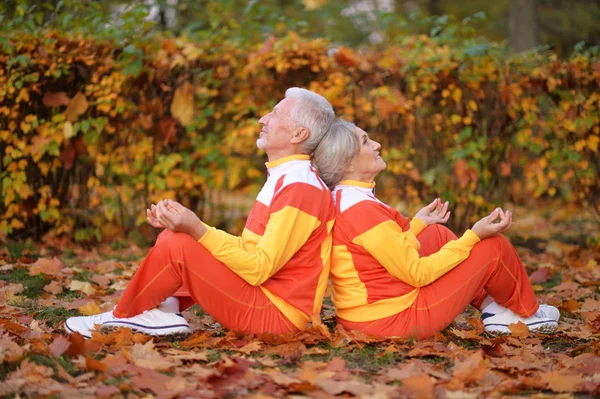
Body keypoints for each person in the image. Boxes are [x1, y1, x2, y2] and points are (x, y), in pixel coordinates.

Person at [65, 88, 336, 339]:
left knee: (180, 243)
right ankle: (162, 313)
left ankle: (122, 317)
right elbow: (248, 249)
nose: (263, 118)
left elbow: (258, 268)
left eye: (276, 113)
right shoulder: (287, 177)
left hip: (277, 316)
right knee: (177, 235)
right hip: (264, 300)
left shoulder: (301, 187)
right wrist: (188, 224)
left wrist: (197, 229)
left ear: (298, 135)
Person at [311, 119, 560, 338]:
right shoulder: (361, 210)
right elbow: (416, 273)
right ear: (346, 163)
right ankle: (528, 314)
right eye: (365, 142)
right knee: (493, 247)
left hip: (369, 314)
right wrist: (473, 236)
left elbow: (378, 250)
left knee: (435, 234)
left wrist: (418, 223)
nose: (376, 145)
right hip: (392, 320)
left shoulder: (346, 197)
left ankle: (492, 308)